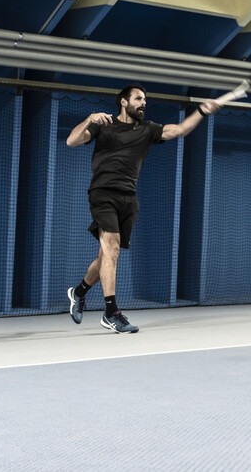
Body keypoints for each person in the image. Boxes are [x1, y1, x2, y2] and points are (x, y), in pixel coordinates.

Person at [66, 84, 220, 333]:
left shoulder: (148, 129)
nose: (143, 103)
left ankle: (79, 292)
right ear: (123, 102)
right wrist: (89, 119)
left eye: (145, 99)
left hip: (129, 198)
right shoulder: (103, 125)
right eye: (138, 98)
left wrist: (202, 111)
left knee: (107, 255)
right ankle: (111, 312)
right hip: (103, 193)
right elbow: (71, 140)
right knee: (111, 248)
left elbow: (180, 130)